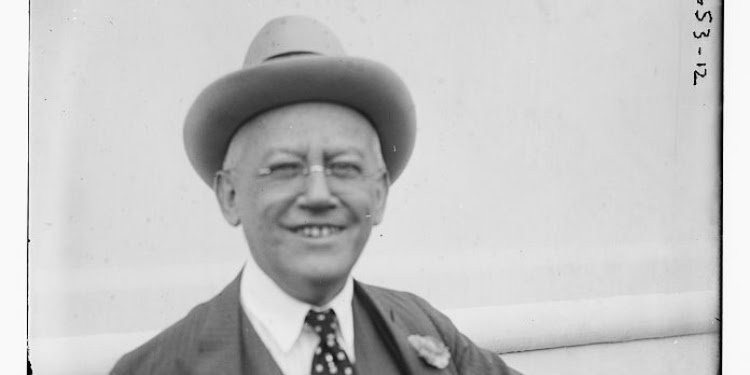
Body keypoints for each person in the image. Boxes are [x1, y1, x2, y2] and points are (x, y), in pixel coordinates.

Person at [111, 15, 521, 375]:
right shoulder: (157, 368)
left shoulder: (428, 334)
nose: (319, 194)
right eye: (286, 168)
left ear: (379, 194)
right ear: (230, 195)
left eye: (344, 167)